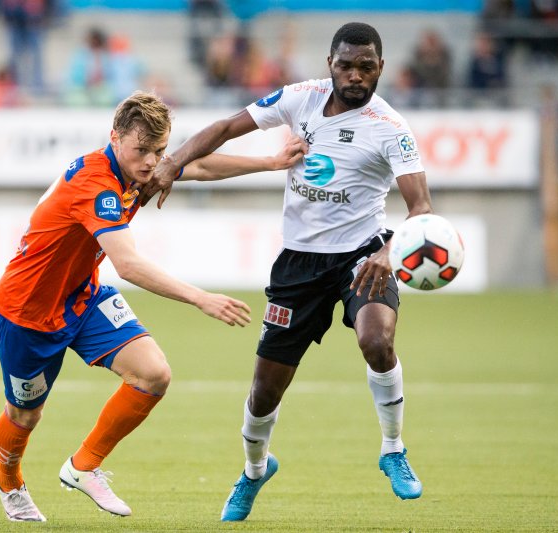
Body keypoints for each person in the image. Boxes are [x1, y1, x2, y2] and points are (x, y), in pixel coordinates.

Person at [147, 22, 434, 521]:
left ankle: (393, 448)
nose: (355, 75)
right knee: (265, 391)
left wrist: (390, 252)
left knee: (377, 341)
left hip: (364, 256)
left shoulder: (391, 128)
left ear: (380, 68)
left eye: (366, 67)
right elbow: (225, 128)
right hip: (298, 264)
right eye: (346, 65)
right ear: (330, 64)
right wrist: (173, 162)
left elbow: (422, 208)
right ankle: (254, 470)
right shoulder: (301, 98)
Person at [0, 90, 305, 522]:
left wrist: (270, 162)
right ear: (115, 138)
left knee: (154, 374)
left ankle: (84, 466)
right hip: (27, 312)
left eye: (159, 150)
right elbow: (128, 265)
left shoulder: (138, 168)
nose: (151, 162)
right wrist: (200, 297)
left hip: (83, 296)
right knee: (25, 415)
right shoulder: (95, 184)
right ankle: (9, 481)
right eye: (141, 150)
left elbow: (198, 166)